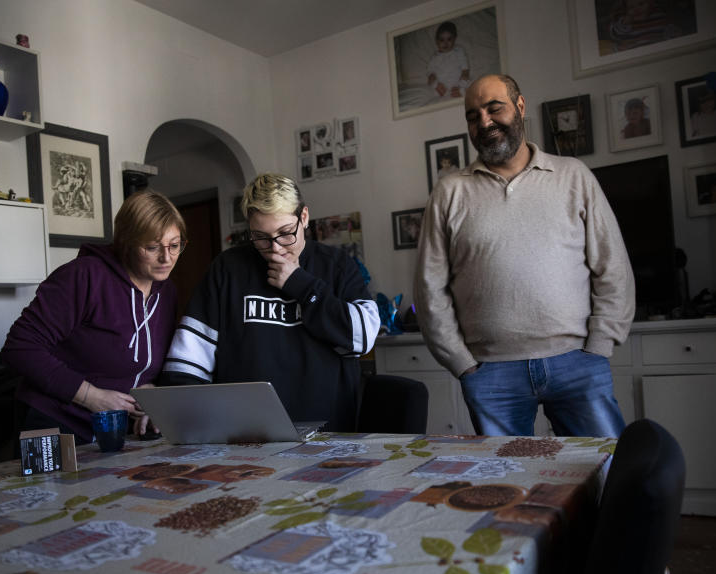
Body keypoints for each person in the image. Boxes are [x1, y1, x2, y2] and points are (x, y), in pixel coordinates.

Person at [414, 74, 635, 438]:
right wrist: (461, 362)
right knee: (506, 486)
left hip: (578, 361)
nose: (484, 122)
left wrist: (600, 344)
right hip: (490, 374)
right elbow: (429, 286)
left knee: (605, 474)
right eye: (473, 115)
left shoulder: (573, 176)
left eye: (493, 108)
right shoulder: (449, 191)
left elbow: (612, 267)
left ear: (519, 106)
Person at [159, 172, 380, 431]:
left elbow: (363, 338)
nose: (275, 249)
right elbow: (186, 363)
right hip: (244, 435)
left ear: (304, 217)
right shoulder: (227, 269)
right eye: (261, 237)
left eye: (286, 233)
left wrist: (301, 285)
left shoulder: (337, 265)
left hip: (329, 434)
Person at [2, 190, 186, 443]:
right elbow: (20, 347)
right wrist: (91, 396)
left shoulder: (166, 291)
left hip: (114, 429)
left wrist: (154, 395)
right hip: (56, 420)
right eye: (152, 247)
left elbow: (151, 361)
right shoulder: (84, 276)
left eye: (174, 245)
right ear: (126, 243)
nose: (167, 258)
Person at [426, 21, 470, 99]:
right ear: (437, 41)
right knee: (431, 87)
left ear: (454, 39)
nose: (445, 43)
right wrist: (436, 84)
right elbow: (430, 74)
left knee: (470, 84)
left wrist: (461, 85)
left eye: (449, 39)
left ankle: (460, 92)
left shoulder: (459, 51)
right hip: (442, 87)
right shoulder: (435, 57)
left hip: (458, 83)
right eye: (442, 40)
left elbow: (465, 70)